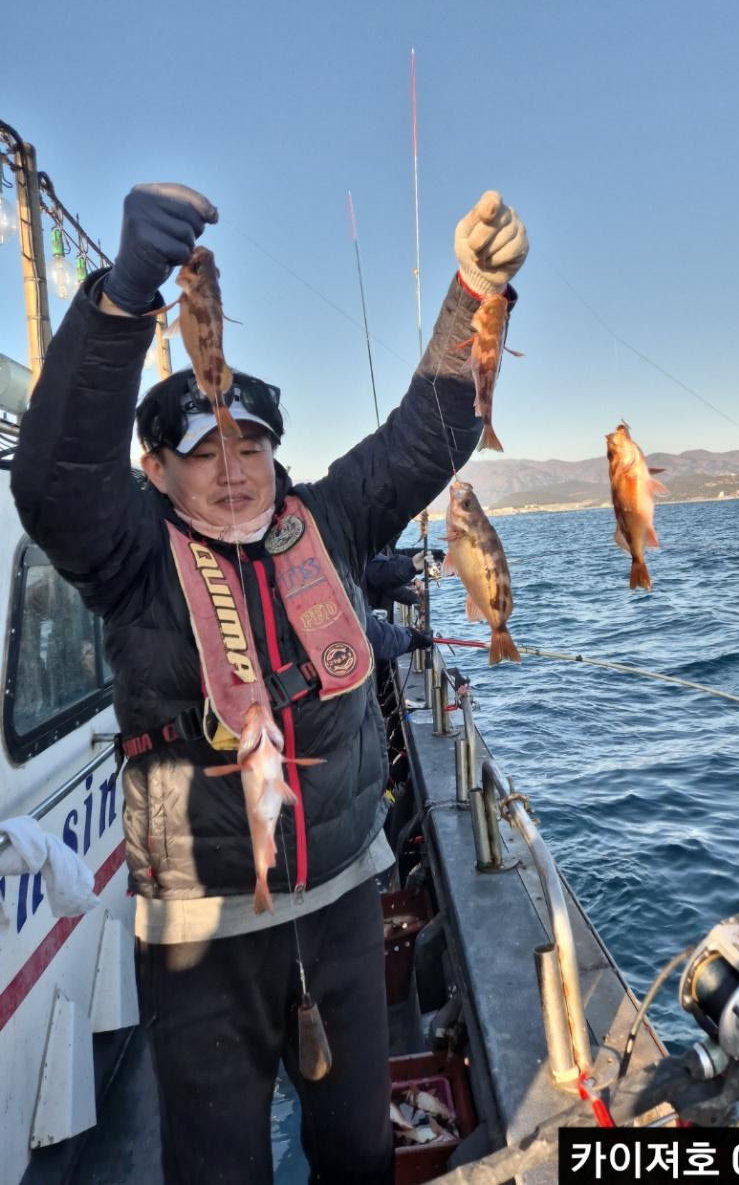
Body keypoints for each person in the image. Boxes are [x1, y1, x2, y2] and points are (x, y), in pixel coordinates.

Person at [11, 181, 528, 1185]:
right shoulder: (130, 554)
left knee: (357, 1154)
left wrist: (478, 294)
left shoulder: (331, 520)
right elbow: (53, 480)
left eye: (251, 444)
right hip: (199, 938)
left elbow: (430, 433)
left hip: (342, 903)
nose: (234, 469)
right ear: (155, 470)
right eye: (204, 451)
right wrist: (119, 301)